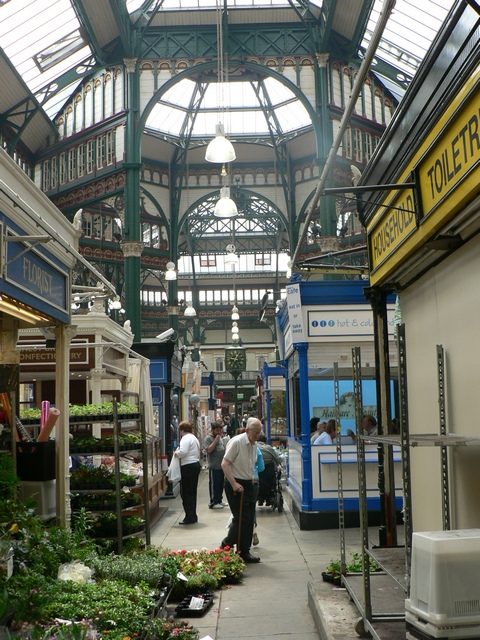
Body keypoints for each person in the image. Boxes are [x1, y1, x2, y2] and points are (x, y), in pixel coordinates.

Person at [221, 416, 263, 563]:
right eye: (255, 432)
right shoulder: (237, 442)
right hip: (235, 484)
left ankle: (244, 551)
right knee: (241, 519)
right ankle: (226, 544)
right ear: (247, 430)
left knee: (249, 520)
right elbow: (225, 464)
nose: (257, 436)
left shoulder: (254, 444)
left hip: (248, 483)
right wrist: (233, 484)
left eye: (259, 432)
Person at [175, 420, 201, 524]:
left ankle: (189, 516)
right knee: (192, 492)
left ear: (182, 430)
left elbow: (183, 452)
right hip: (195, 464)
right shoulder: (194, 438)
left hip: (187, 466)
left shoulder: (185, 438)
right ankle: (192, 515)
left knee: (185, 493)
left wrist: (176, 453)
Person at [204, 420, 227, 509]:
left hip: (221, 465)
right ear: (213, 430)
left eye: (220, 430)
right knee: (215, 484)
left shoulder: (220, 438)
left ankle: (219, 499)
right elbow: (209, 450)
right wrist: (216, 440)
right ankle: (213, 501)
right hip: (214, 466)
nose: (219, 432)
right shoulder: (209, 438)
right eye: (217, 430)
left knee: (220, 484)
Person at [257, 433, 282, 506]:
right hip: (269, 473)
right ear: (265, 441)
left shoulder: (254, 448)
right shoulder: (269, 448)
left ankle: (260, 498)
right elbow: (277, 459)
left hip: (257, 475)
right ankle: (269, 498)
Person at [252, 445, 265, 546]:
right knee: (251, 507)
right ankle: (253, 530)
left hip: (239, 480)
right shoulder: (256, 449)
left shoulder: (236, 446)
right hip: (254, 480)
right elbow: (261, 468)